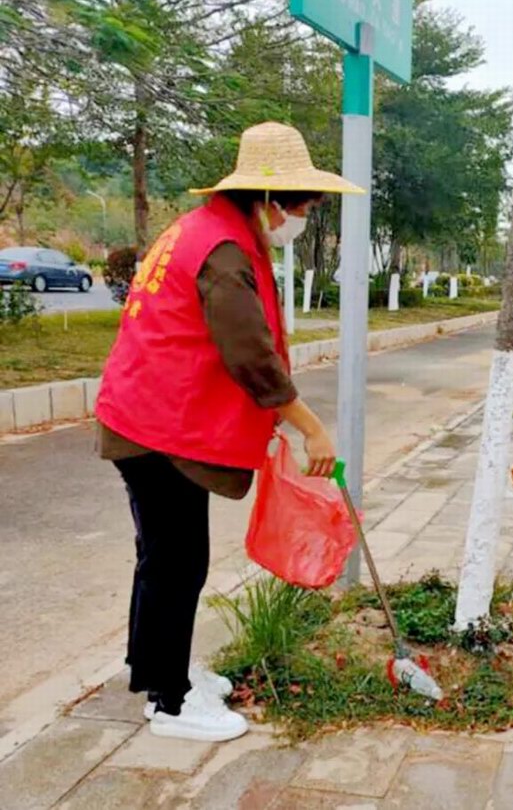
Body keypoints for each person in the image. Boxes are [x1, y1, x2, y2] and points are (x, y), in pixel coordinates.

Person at [95, 122, 361, 741]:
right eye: (300, 206)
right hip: (155, 427)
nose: (301, 216)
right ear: (269, 198)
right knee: (176, 560)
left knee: (163, 556)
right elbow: (249, 355)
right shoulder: (223, 252)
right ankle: (171, 702)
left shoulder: (210, 231)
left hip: (146, 415)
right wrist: (309, 426)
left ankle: (159, 668)